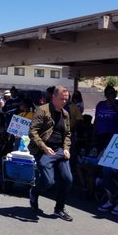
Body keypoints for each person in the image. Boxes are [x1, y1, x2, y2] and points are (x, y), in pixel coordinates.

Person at [28, 85, 74, 221]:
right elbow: (32, 131)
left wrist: (66, 148)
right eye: (62, 99)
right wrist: (43, 147)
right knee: (48, 182)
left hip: (59, 150)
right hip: (44, 149)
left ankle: (59, 209)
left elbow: (67, 134)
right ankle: (34, 192)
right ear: (54, 97)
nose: (64, 101)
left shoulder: (65, 114)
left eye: (66, 99)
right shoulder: (42, 111)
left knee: (68, 179)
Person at [93, 85, 118, 152]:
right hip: (100, 134)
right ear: (105, 95)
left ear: (115, 93)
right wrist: (94, 132)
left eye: (113, 92)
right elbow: (96, 119)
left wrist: (115, 105)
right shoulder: (100, 104)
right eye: (109, 93)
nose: (111, 95)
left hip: (114, 136)